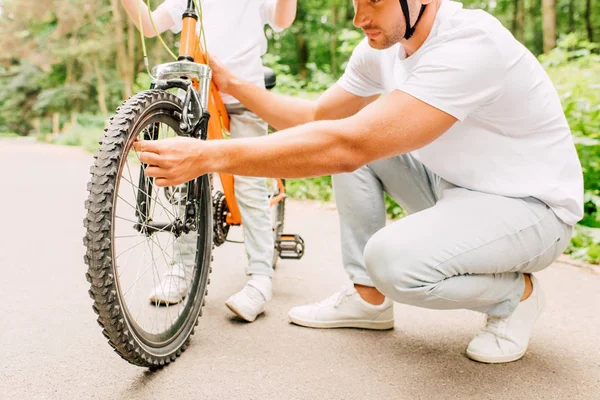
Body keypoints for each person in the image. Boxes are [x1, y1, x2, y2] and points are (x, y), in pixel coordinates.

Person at [135, 0, 583, 363]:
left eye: (373, 0)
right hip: (454, 189)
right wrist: (235, 85)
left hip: (532, 209)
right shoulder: (382, 46)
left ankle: (515, 296)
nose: (359, 17)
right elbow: (316, 119)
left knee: (391, 259)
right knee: (343, 145)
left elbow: (351, 146)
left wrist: (210, 157)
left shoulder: (468, 44)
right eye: (354, 1)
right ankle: (368, 301)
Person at [119, 0, 297, 322]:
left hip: (245, 95)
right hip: (197, 93)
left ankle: (260, 277)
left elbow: (283, 20)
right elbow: (149, 25)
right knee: (189, 177)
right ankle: (182, 268)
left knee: (248, 182)